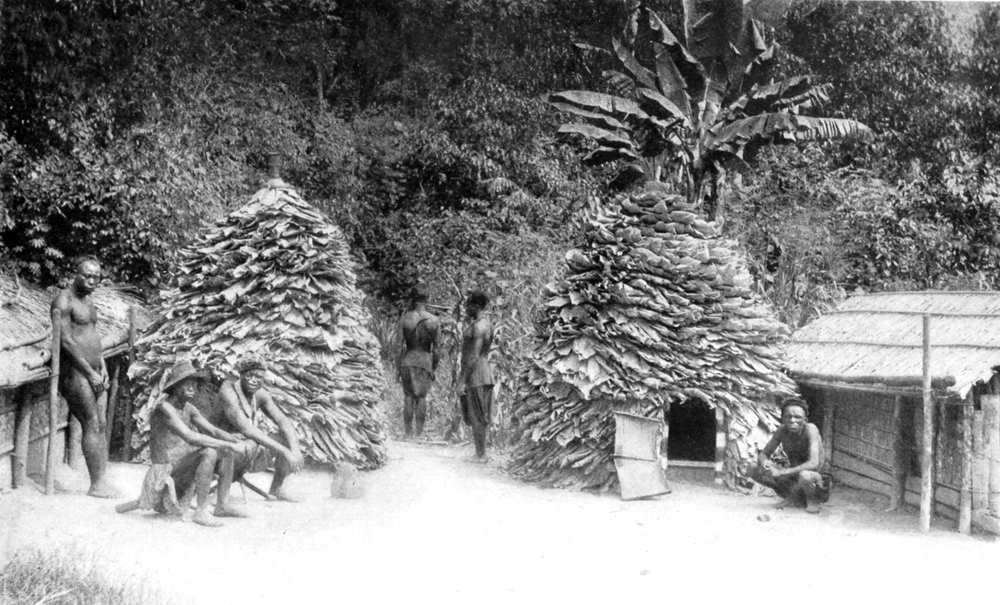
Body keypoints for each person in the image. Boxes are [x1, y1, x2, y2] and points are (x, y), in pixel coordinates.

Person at [116, 360, 244, 527]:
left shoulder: (189, 408)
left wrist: (235, 440)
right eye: (187, 385)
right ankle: (200, 511)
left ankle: (222, 504)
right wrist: (227, 444)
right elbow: (191, 437)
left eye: (194, 385)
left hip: (181, 465)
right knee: (210, 452)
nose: (192, 389)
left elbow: (213, 430)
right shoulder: (165, 408)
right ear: (175, 387)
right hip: (165, 468)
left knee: (227, 452)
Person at [51, 256, 117, 498]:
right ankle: (96, 485)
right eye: (87, 276)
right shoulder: (63, 300)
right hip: (76, 372)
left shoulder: (89, 302)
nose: (92, 281)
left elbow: (92, 335)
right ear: (75, 273)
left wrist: (102, 367)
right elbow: (66, 341)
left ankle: (100, 480)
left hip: (94, 371)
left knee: (100, 423)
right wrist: (89, 373)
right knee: (90, 421)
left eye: (96, 277)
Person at [212, 356, 304, 503]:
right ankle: (222, 502)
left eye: (259, 377)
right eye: (249, 376)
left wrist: (294, 448)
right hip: (222, 446)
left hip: (248, 445)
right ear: (241, 375)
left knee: (285, 437)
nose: (254, 380)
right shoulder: (228, 391)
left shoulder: (260, 394)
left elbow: (283, 420)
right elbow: (246, 428)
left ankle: (277, 489)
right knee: (264, 444)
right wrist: (285, 451)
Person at [751, 400, 830, 513]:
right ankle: (791, 497)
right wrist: (765, 463)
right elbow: (764, 454)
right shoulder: (782, 430)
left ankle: (813, 500)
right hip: (794, 476)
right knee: (752, 468)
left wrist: (783, 472)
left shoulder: (811, 429)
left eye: (797, 417)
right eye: (788, 417)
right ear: (783, 419)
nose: (793, 420)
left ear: (805, 420)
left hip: (815, 479)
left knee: (805, 475)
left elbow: (813, 463)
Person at [397, 286, 440, 438]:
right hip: (424, 361)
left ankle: (408, 434)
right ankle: (419, 434)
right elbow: (437, 349)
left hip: (408, 360)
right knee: (421, 397)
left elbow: (398, 346)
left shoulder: (405, 318)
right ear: (427, 299)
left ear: (413, 299)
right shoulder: (434, 320)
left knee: (408, 396)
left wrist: (398, 369)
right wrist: (433, 368)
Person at [459, 289, 495, 460]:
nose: (466, 308)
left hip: (476, 374)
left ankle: (480, 454)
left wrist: (461, 381)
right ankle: (480, 452)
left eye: (468, 305)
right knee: (480, 415)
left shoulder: (478, 327)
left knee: (476, 415)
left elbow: (472, 356)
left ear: (476, 306)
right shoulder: (487, 324)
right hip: (485, 371)